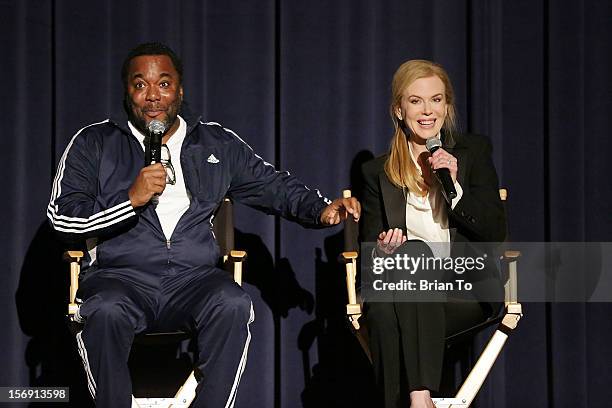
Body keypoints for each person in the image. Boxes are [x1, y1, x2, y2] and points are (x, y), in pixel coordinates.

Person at [46, 42, 360, 408]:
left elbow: (271, 184)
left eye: (163, 84)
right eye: (140, 85)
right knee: (103, 311)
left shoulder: (214, 142)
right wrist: (129, 200)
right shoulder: (93, 142)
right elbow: (63, 215)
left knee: (232, 303)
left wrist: (320, 209)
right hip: (120, 277)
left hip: (192, 279)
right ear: (127, 91)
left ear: (180, 89)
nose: (152, 97)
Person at [359, 59, 506, 408]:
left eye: (436, 100)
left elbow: (495, 231)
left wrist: (454, 188)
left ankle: (418, 397)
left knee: (400, 285)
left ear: (447, 105)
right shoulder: (376, 171)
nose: (428, 111)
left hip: (463, 292)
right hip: (402, 287)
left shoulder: (473, 152)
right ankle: (420, 399)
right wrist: (382, 249)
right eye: (415, 101)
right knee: (386, 300)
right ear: (398, 109)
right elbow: (371, 256)